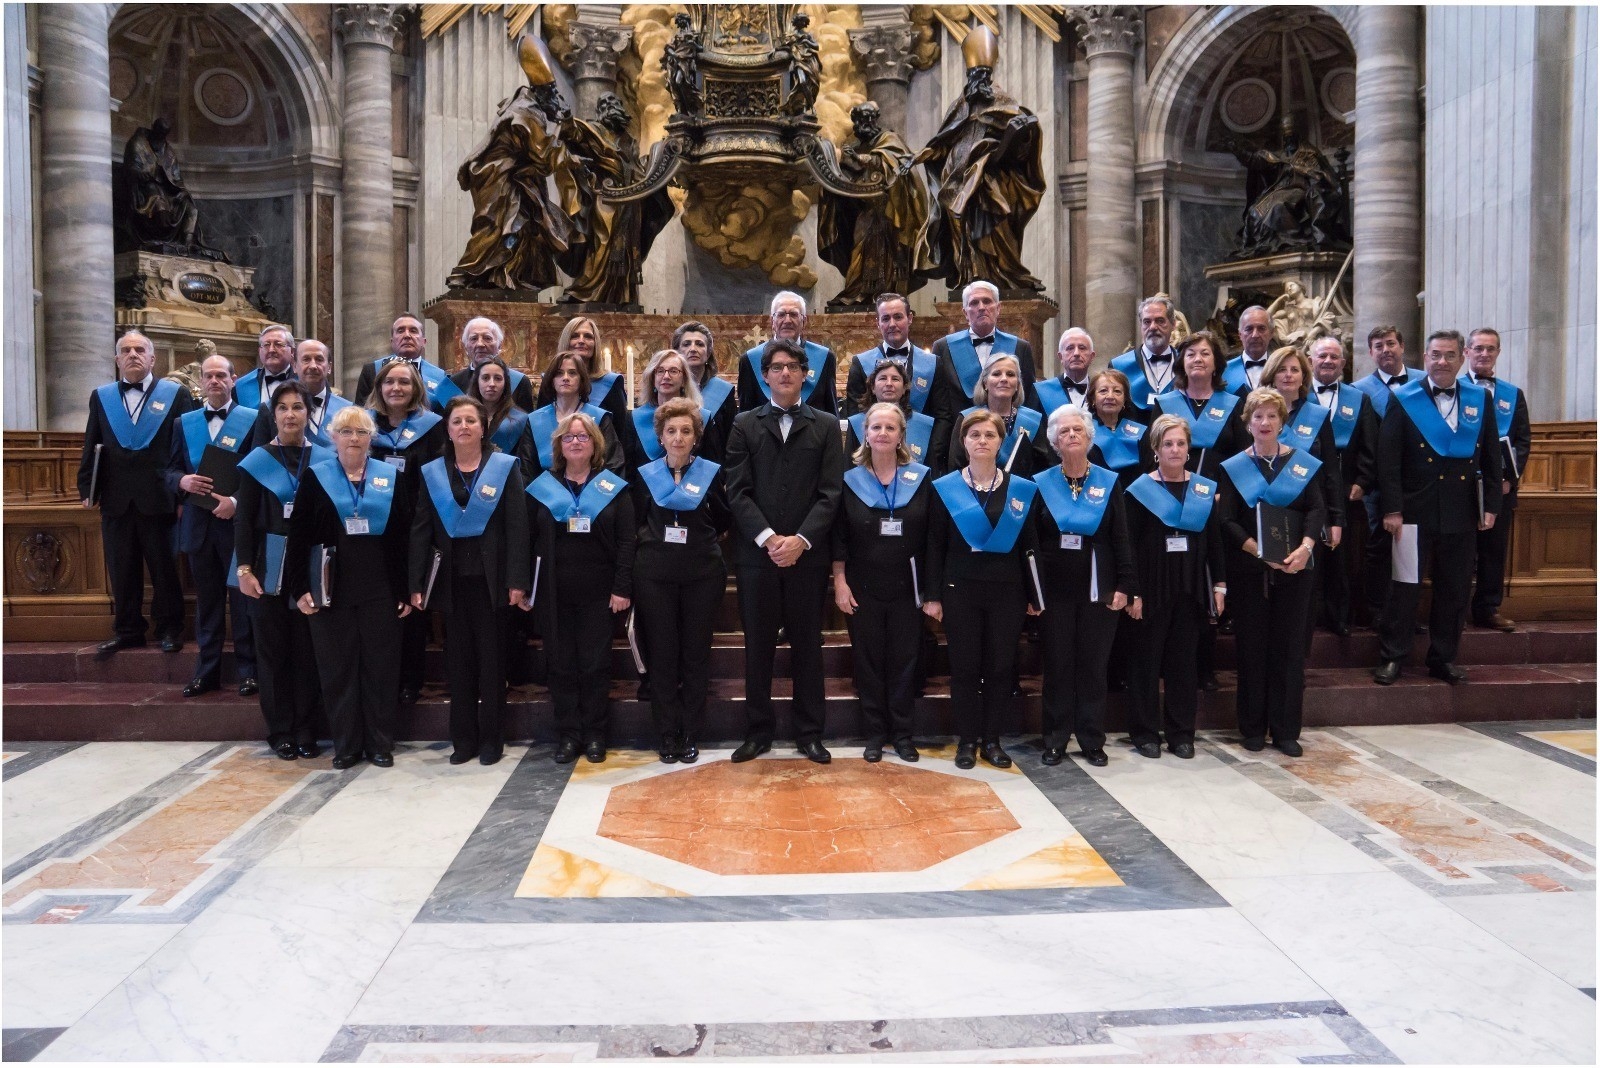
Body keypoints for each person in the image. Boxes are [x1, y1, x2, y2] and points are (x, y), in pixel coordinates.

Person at [725, 339, 846, 764]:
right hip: (757, 556)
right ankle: (757, 731)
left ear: (805, 373)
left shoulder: (828, 424)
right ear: (764, 376)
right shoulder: (744, 423)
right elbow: (736, 490)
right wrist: (769, 538)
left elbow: (831, 493)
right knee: (757, 646)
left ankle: (809, 732)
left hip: (807, 556)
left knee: (807, 646)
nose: (785, 374)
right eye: (776, 367)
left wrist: (800, 540)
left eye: (793, 366)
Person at [1373, 330, 1502, 686]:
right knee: (1405, 587)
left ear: (1462, 358)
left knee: (1455, 589)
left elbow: (1492, 457)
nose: (1442, 362)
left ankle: (1443, 658)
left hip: (1461, 513)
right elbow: (1389, 459)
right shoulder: (1404, 398)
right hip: (1413, 512)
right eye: (1435, 355)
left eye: (1449, 355)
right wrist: (1392, 509)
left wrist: (1490, 505)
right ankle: (1393, 656)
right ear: (1425, 358)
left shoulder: (1480, 399)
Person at [286, 407, 413, 770]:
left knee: (381, 669)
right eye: (345, 431)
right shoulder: (316, 477)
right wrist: (300, 588)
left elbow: (403, 538)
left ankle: (379, 743)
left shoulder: (390, 477)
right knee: (337, 669)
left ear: (371, 438)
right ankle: (346, 745)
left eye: (360, 431)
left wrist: (404, 589)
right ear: (333, 437)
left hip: (380, 588)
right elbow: (299, 537)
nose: (353, 438)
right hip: (330, 590)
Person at [410, 396, 530, 765]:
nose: (463, 427)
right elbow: (420, 529)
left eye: (471, 421)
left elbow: (517, 527)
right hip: (451, 581)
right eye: (456, 421)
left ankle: (492, 740)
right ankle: (463, 739)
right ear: (447, 429)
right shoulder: (433, 472)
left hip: (492, 581)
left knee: (492, 663)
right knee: (458, 663)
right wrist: (416, 582)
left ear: (483, 427)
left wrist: (517, 579)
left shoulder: (505, 467)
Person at [924, 410, 1041, 769]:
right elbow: (934, 544)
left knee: (1000, 667)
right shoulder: (945, 488)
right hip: (960, 589)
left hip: (1007, 591)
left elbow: (1029, 545)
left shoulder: (1020, 488)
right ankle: (967, 740)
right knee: (964, 667)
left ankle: (992, 739)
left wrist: (1035, 596)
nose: (982, 441)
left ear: (1000, 442)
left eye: (989, 435)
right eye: (974, 435)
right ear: (964, 442)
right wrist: (932, 595)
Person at [1218, 389, 1327, 756]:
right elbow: (1228, 520)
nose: (1264, 423)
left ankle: (1285, 731)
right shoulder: (1234, 468)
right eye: (1257, 417)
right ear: (1247, 424)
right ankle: (1251, 729)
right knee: (1252, 650)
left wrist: (1306, 547)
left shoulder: (1301, 463)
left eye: (1271, 417)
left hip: (1297, 568)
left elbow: (1316, 509)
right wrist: (1258, 551)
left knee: (1289, 650)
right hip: (1250, 571)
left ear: (1283, 422)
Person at [78, 330, 197, 661]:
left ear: (152, 358)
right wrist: (86, 485)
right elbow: (92, 442)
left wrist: (184, 494)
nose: (133, 355)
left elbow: (184, 447)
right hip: (115, 498)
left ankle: (170, 629)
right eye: (126, 350)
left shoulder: (176, 394)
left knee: (163, 568)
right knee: (122, 569)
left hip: (160, 497)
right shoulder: (101, 397)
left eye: (139, 350)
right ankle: (127, 631)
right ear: (117, 360)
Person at [527, 411, 635, 763]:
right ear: (559, 444)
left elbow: (627, 541)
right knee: (560, 665)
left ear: (594, 445)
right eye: (569, 437)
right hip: (554, 591)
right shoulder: (544, 486)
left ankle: (595, 735)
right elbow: (528, 540)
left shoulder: (612, 487)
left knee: (594, 665)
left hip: (599, 591)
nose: (576, 442)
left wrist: (621, 587)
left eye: (583, 437)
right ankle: (569, 735)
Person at [1032, 406, 1136, 767]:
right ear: (1054, 441)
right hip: (1055, 590)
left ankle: (1092, 738)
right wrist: (1035, 592)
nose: (1072, 435)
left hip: (1099, 589)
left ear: (1090, 438)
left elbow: (1121, 538)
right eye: (1064, 432)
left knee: (1093, 667)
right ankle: (1056, 738)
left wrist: (1126, 586)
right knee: (1058, 666)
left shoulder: (1109, 482)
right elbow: (1032, 540)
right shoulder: (1040, 482)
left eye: (1078, 430)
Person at [234, 381, 332, 759]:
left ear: (309, 414)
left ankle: (307, 728)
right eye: (283, 408)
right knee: (273, 652)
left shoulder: (325, 458)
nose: (291, 415)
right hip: (267, 561)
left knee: (308, 649)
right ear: (273, 415)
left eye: (298, 407)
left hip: (309, 563)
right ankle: (281, 731)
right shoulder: (257, 460)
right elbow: (243, 520)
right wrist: (244, 568)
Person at [832, 402, 934, 763]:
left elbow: (932, 538)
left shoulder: (921, 479)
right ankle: (875, 733)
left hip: (908, 585)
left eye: (891, 428)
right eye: (876, 427)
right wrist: (840, 582)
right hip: (863, 585)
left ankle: (903, 734)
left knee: (906, 660)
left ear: (901, 436)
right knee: (869, 660)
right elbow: (839, 537)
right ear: (865, 434)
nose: (883, 433)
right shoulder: (849, 481)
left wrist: (931, 591)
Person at [1122, 414, 1227, 759]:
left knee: (1184, 663)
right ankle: (1145, 732)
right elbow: (1128, 546)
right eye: (1168, 443)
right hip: (1150, 589)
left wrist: (1220, 586)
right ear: (1155, 450)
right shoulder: (1138, 491)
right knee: (1145, 663)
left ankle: (1182, 733)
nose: (1175, 449)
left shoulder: (1202, 489)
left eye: (1181, 443)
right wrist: (1133, 590)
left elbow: (1214, 543)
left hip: (1191, 588)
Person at [632, 397, 731, 763]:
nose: (678, 438)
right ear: (660, 436)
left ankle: (690, 730)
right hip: (655, 576)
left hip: (701, 574)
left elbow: (724, 518)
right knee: (663, 654)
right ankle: (667, 731)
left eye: (685, 431)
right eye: (671, 431)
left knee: (694, 653)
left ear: (696, 436)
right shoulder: (645, 476)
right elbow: (635, 523)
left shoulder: (712, 472)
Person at [167, 353, 258, 696]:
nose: (215, 381)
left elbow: (258, 471)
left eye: (222, 375)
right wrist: (182, 481)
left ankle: (250, 672)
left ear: (234, 380)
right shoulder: (183, 423)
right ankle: (207, 673)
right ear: (201, 381)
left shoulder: (252, 418)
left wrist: (234, 503)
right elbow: (168, 470)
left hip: (236, 525)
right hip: (199, 528)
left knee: (244, 602)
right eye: (209, 376)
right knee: (208, 605)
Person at [366, 359, 445, 706]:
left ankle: (411, 679)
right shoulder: (365, 426)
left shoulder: (431, 427)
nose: (396, 388)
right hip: (375, 527)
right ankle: (382, 677)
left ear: (416, 389)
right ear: (379, 388)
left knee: (412, 603)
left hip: (415, 527)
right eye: (389, 382)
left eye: (404, 383)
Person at [1306, 335, 1378, 637]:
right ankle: (1309, 616)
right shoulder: (1296, 397)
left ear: (1343, 364)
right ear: (1310, 360)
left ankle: (1339, 616)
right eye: (1322, 356)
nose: (1327, 361)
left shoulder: (1358, 398)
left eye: (1334, 357)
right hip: (1305, 486)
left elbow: (1369, 444)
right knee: (1308, 553)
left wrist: (1362, 481)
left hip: (1346, 488)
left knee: (1342, 556)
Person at [1462, 327, 1531, 632]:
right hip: (1460, 486)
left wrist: (1507, 479)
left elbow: (1522, 441)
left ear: (1498, 353)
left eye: (1491, 349)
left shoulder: (1512, 394)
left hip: (1499, 487)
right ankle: (1455, 609)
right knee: (1459, 549)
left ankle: (1488, 608)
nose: (1484, 354)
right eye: (1478, 348)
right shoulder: (1454, 388)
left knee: (1493, 549)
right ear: (1467, 352)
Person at [843, 293, 961, 469]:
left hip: (922, 457)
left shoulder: (933, 363)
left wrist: (932, 453)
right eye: (886, 318)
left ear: (910, 318)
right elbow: (855, 413)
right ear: (878, 322)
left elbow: (942, 415)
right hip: (872, 455)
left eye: (898, 317)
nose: (892, 324)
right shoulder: (860, 363)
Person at [1259, 345, 1346, 576]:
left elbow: (1331, 471)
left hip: (1310, 511)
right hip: (1267, 506)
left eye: (1295, 370)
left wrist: (1336, 519)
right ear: (1271, 375)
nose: (1288, 375)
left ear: (1303, 377)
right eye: (1282, 369)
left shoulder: (1317, 415)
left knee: (1306, 580)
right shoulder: (1257, 415)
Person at [1350, 325, 1411, 620]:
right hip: (1377, 483)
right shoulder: (1359, 390)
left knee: (1412, 548)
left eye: (1390, 343)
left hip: (1417, 481)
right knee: (1380, 544)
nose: (1386, 350)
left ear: (1401, 346)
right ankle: (1377, 610)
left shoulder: (1423, 382)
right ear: (1371, 352)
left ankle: (1405, 612)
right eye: (1378, 346)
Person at [1148, 329, 1247, 480]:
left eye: (1205, 354)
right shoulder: (1164, 405)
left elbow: (1243, 457)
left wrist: (1225, 495)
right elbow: (1151, 456)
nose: (1198, 359)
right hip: (1171, 491)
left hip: (1221, 494)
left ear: (1216, 364)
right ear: (1182, 363)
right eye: (1191, 354)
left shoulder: (1234, 405)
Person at [931, 280, 1038, 407]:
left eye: (987, 301)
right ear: (965, 312)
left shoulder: (1021, 347)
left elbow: (1029, 398)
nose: (981, 307)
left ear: (998, 308)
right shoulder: (943, 347)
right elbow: (938, 400)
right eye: (974, 303)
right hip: (958, 425)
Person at [737, 292, 840, 415]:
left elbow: (831, 411)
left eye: (794, 314)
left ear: (804, 321)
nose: (787, 320)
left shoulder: (825, 358)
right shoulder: (749, 360)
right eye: (781, 314)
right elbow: (745, 414)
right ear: (772, 320)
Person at [947, 354, 1048, 478]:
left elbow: (1042, 470)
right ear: (985, 383)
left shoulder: (1033, 421)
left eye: (1010, 374)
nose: (1004, 379)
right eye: (996, 374)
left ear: (1017, 385)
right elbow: (955, 468)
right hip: (973, 493)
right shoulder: (967, 418)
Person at [529, 350, 626, 477]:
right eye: (559, 373)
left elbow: (614, 465)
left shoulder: (600, 418)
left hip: (593, 492)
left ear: (582, 379)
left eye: (572, 373)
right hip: (544, 493)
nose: (565, 378)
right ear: (551, 380)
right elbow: (527, 470)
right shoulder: (534, 420)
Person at [844, 359, 942, 473]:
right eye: (883, 378)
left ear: (905, 388)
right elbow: (848, 470)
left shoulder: (923, 424)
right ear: (873, 387)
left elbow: (931, 473)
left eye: (895, 379)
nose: (889, 384)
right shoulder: (856, 422)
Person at [250, 339, 350, 449]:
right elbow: (258, 457)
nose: (313, 366)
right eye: (306, 359)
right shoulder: (269, 409)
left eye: (319, 359)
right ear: (294, 366)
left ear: (329, 367)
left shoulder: (347, 410)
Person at [354, 314, 461, 409]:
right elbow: (360, 412)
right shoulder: (372, 370)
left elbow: (455, 411)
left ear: (423, 342)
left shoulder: (440, 376)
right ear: (392, 341)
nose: (407, 335)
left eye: (413, 331)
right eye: (400, 331)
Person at [627, 348, 704, 477]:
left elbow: (709, 467)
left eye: (673, 371)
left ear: (684, 379)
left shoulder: (700, 417)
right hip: (644, 493)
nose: (666, 376)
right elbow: (628, 468)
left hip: (693, 491)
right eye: (660, 371)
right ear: (652, 378)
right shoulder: (635, 418)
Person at [1111, 295, 1182, 417]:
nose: (1153, 327)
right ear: (1141, 325)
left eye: (1160, 321)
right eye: (1147, 322)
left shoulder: (1186, 363)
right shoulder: (1118, 366)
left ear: (1173, 324)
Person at [674, 320, 735, 462]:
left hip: (714, 470)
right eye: (686, 344)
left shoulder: (723, 392)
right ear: (676, 352)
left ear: (708, 354)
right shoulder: (669, 388)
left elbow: (731, 441)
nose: (693, 349)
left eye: (699, 344)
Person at [557, 316, 630, 431]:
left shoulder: (611, 384)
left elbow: (621, 431)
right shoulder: (551, 381)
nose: (581, 341)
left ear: (595, 344)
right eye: (575, 336)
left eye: (588, 336)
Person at [450, 316, 535, 410]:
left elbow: (526, 422)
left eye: (487, 338)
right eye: (474, 338)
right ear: (465, 347)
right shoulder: (453, 383)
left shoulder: (520, 382)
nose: (480, 344)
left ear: (500, 345)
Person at [472, 356, 536, 477]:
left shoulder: (520, 420)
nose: (491, 384)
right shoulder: (464, 416)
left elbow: (526, 466)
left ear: (506, 384)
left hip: (508, 482)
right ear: (477, 381)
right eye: (485, 378)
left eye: (498, 378)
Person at [1086, 369, 1148, 490]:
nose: (1110, 396)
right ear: (1093, 399)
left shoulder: (1141, 433)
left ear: (1125, 399)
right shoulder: (1084, 432)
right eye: (1103, 391)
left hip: (1134, 498)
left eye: (1117, 391)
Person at [1035, 327, 1096, 423]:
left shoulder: (1100, 392)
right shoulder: (1041, 391)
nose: (1076, 353)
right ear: (1060, 357)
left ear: (1092, 356)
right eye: (1070, 348)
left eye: (1082, 348)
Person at [233, 324, 296, 410]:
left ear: (292, 351)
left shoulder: (304, 382)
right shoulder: (241, 386)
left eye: (278, 344)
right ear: (259, 351)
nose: (271, 350)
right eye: (266, 345)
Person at [1221, 306, 1274, 393]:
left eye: (1261, 328)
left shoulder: (1281, 369)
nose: (1255, 335)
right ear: (1240, 334)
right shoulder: (1223, 371)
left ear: (1271, 333)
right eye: (1249, 329)